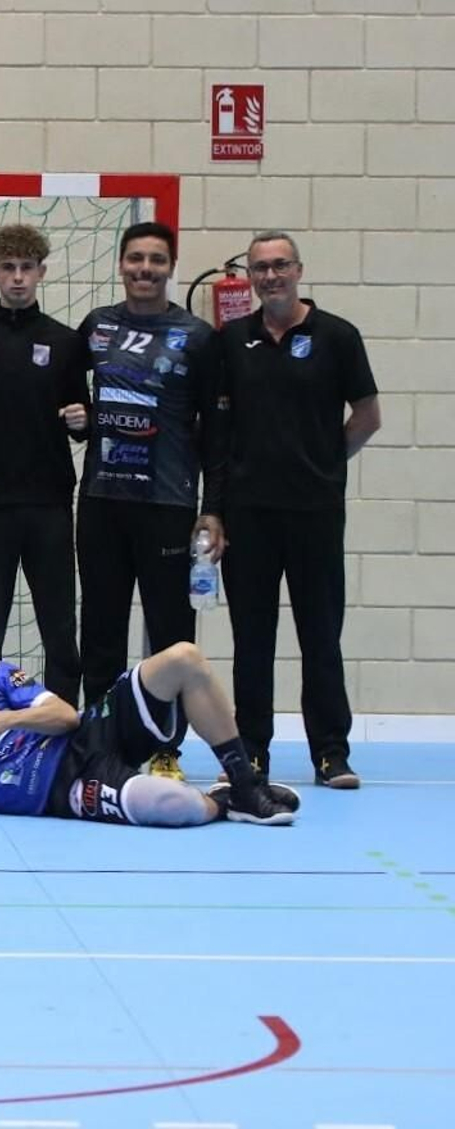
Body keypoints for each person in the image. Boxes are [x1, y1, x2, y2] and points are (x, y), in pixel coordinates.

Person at [0, 613, 299, 827]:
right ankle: (224, 801)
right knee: (177, 807)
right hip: (61, 789)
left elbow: (66, 716)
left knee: (184, 658)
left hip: (89, 734)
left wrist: (5, 720)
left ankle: (244, 787)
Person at [219, 231, 381, 789]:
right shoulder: (232, 340)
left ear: (298, 270)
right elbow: (218, 428)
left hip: (314, 512)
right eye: (260, 268)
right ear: (250, 276)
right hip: (247, 515)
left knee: (320, 634)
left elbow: (367, 415)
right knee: (252, 639)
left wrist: (325, 463)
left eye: (280, 265)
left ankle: (331, 753)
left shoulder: (337, 336)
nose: (270, 276)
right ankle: (254, 752)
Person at [76, 221, 227, 780]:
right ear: (121, 264)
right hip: (100, 500)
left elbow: (216, 430)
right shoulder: (95, 328)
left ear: (170, 267)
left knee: (170, 634)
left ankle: (166, 750)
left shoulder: (198, 336)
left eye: (156, 260)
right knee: (101, 629)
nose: (145, 269)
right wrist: (78, 421)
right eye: (136, 258)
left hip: (167, 504)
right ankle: (99, 746)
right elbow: (72, 403)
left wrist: (212, 508)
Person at [0, 224, 89, 707]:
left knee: (58, 625)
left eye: (26, 268)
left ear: (41, 273)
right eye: (7, 268)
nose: (17, 278)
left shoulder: (67, 341)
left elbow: (84, 416)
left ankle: (63, 726)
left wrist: (83, 420)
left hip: (50, 504)